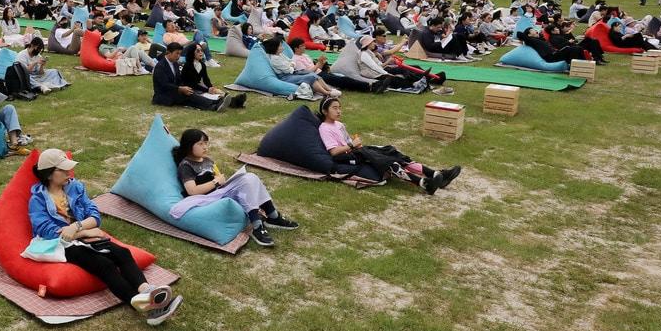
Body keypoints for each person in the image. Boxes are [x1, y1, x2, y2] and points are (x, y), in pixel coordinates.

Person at [29, 149, 182, 325]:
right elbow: (47, 230)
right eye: (62, 170)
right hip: (61, 245)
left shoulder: (76, 187)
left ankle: (146, 291)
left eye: (68, 169)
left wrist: (77, 226)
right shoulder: (38, 199)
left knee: (122, 253)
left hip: (81, 235)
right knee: (104, 265)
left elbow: (94, 216)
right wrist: (86, 232)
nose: (68, 173)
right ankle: (149, 310)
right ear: (49, 174)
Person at [171, 128, 296, 247]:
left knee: (251, 177)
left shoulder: (207, 160)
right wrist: (216, 182)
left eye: (206, 143)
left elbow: (219, 178)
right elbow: (192, 191)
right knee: (247, 180)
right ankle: (258, 226)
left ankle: (272, 216)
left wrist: (221, 180)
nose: (205, 147)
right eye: (200, 144)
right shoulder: (186, 165)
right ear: (189, 146)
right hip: (206, 198)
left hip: (219, 191)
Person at [317, 97, 460, 193]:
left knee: (390, 151)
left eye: (339, 107)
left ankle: (436, 174)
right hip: (346, 157)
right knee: (385, 161)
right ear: (325, 111)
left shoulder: (339, 124)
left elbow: (348, 141)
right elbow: (334, 152)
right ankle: (424, 183)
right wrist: (352, 144)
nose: (339, 111)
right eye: (335, 108)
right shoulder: (324, 127)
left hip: (357, 150)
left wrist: (355, 143)